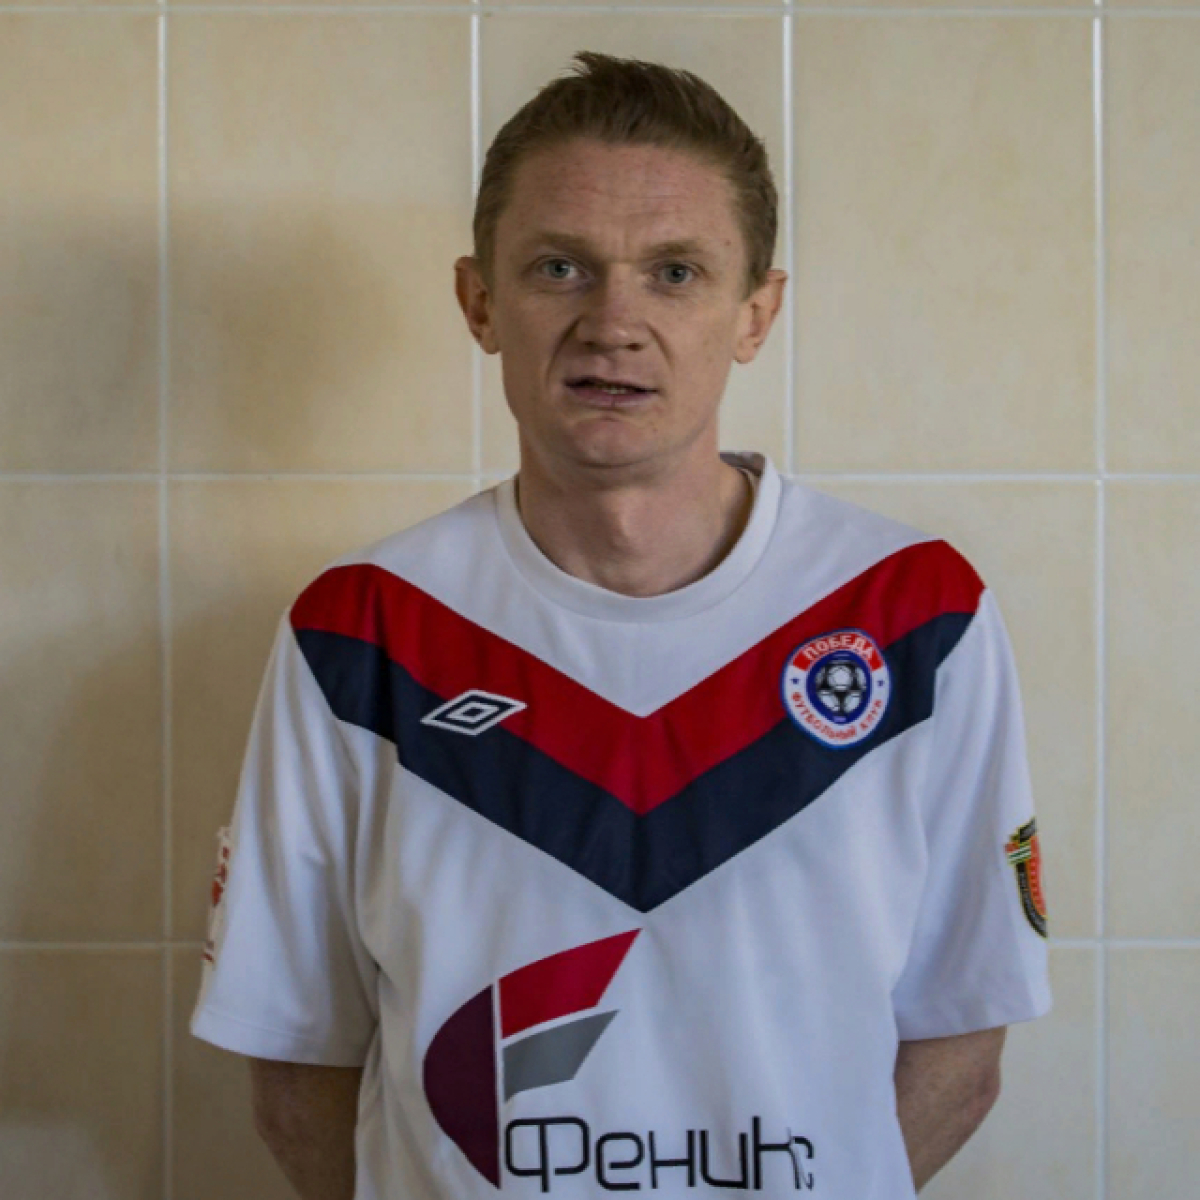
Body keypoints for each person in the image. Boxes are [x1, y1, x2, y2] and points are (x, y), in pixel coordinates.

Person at [190, 51, 1052, 1200]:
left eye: (675, 273)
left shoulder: (917, 619)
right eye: (561, 268)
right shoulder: (361, 636)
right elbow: (297, 1069)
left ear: (756, 313)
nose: (614, 323)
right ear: (479, 303)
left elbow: (961, 1045)